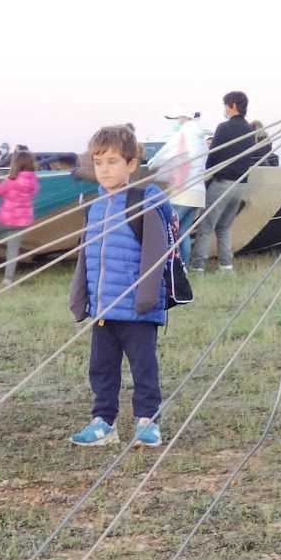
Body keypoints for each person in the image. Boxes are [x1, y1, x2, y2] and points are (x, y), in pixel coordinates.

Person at [68, 125, 170, 448]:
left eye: (112, 162)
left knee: (143, 368)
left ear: (130, 164)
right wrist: (80, 296)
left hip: (138, 309)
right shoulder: (94, 207)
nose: (105, 170)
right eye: (99, 163)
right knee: (101, 368)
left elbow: (156, 254)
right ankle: (103, 422)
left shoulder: (144, 201)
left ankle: (147, 421)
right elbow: (85, 255)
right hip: (104, 308)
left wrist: (146, 298)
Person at [190, 91, 254, 273]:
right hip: (240, 184)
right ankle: (226, 266)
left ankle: (197, 266)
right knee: (224, 227)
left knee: (206, 227)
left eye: (225, 105)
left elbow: (214, 154)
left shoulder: (224, 128)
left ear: (233, 106)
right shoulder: (250, 129)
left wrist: (206, 175)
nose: (224, 109)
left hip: (222, 183)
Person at [147, 107, 206, 267]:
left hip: (184, 190)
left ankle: (172, 266)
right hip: (198, 191)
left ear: (183, 117)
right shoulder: (200, 137)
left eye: (177, 119)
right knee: (182, 233)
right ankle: (183, 267)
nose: (175, 122)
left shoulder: (184, 134)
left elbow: (166, 153)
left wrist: (152, 162)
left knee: (169, 228)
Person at [0, 150, 39, 285]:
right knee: (13, 248)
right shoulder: (33, 180)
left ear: (16, 163)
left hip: (7, 219)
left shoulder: (11, 180)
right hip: (23, 221)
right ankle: (7, 279)